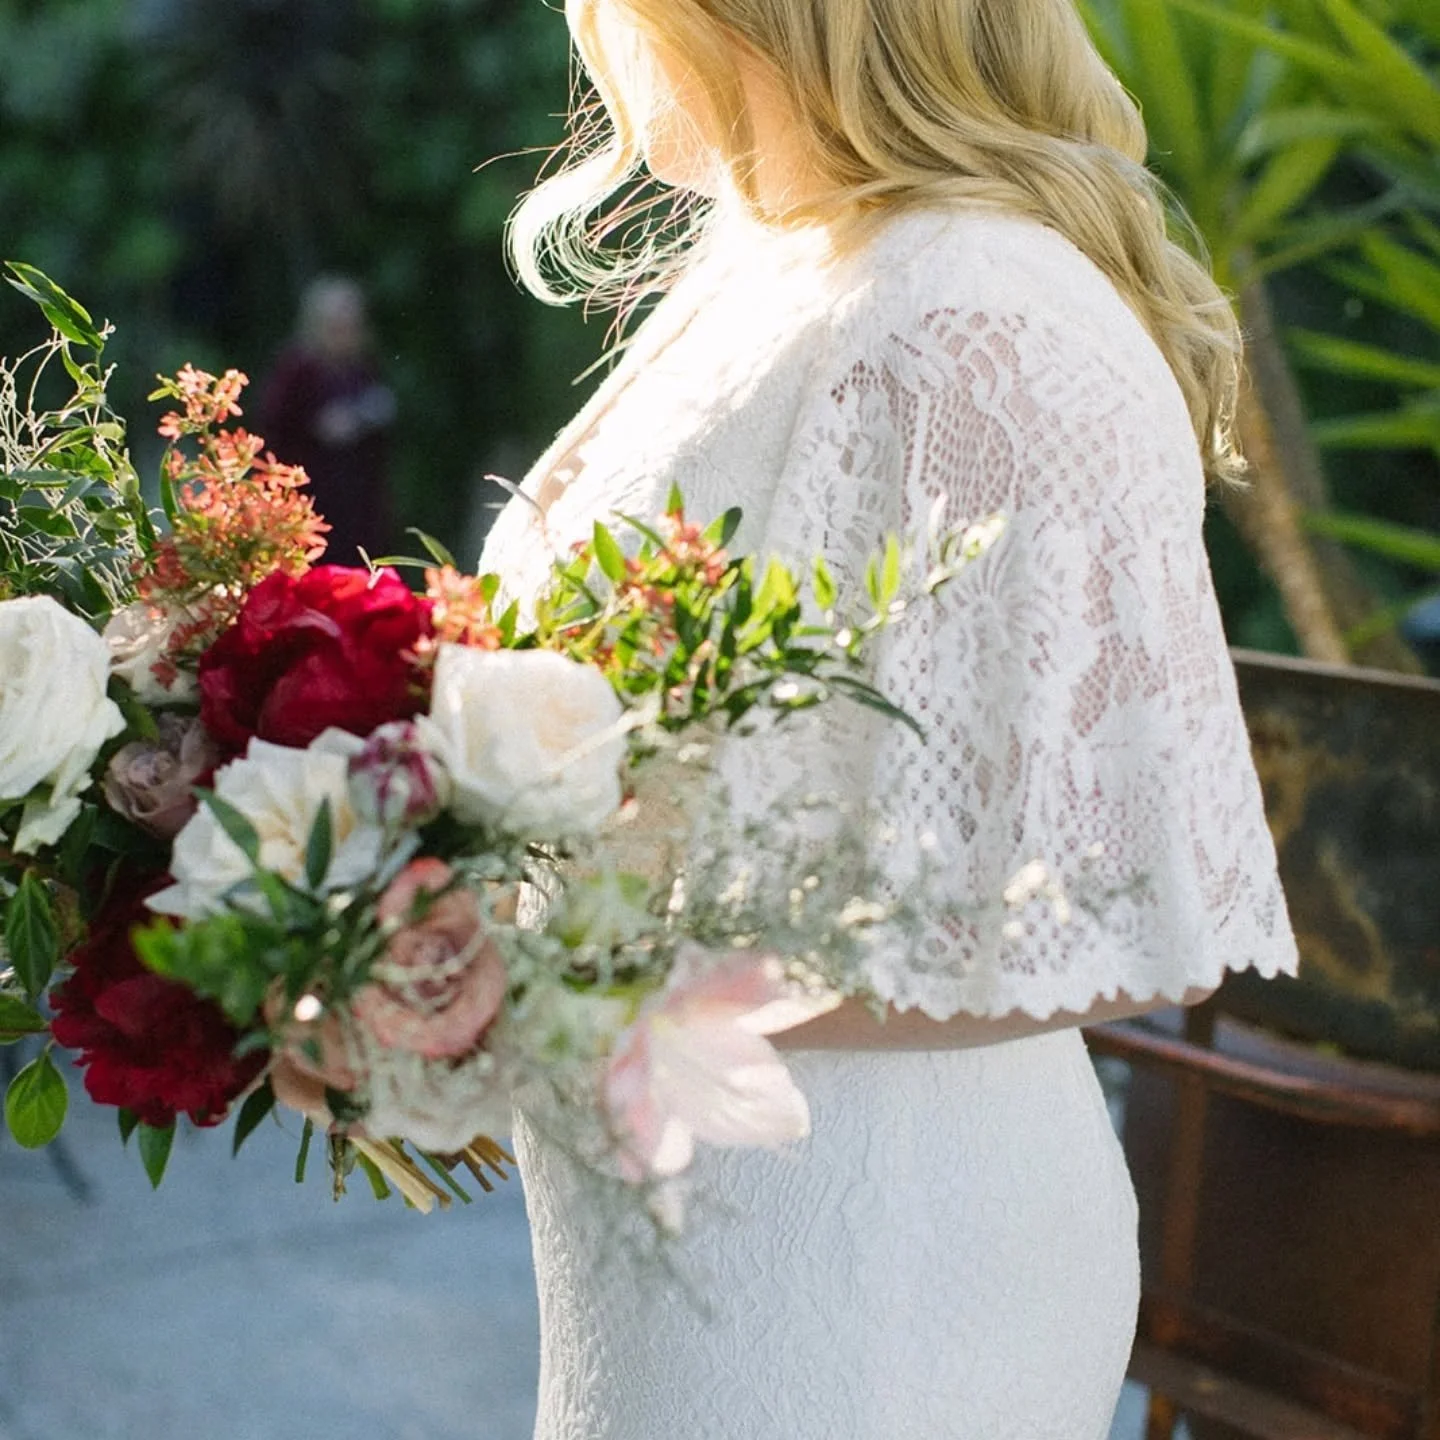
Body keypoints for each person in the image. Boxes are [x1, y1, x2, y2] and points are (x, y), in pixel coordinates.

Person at [480, 0, 1300, 1434]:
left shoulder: (976, 308)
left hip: (862, 1285)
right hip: (686, 1244)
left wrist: (567, 991)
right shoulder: (774, 262)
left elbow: (1089, 895)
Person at [259, 276, 397, 564]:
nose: (345, 333)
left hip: (360, 511)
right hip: (307, 508)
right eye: (336, 325)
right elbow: (272, 430)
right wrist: (317, 427)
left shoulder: (363, 369)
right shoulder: (295, 371)